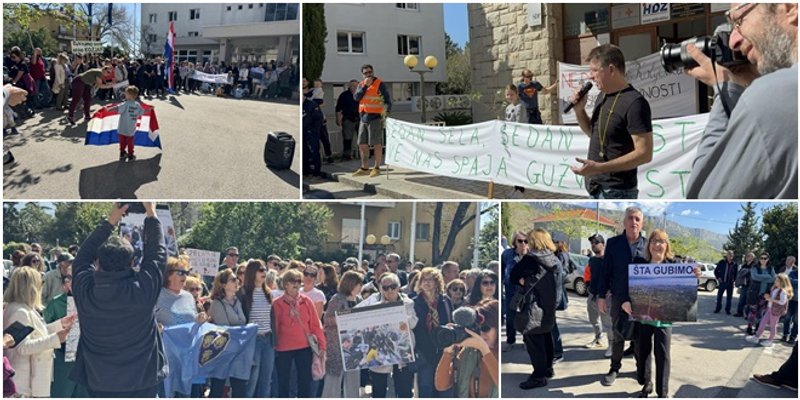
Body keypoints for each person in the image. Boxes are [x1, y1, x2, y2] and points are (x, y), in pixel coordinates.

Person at [684, 3, 797, 199]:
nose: (734, 41)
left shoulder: (769, 97)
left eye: (738, 21)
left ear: (789, 8)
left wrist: (725, 87)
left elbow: (703, 197)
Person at [69, 202, 167, 397]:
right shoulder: (143, 289)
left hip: (99, 382)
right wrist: (151, 213)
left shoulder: (85, 290)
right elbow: (157, 255)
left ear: (98, 263)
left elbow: (81, 258)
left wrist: (110, 221)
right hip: (142, 382)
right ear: (132, 263)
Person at [568, 44, 654, 199]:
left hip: (618, 191)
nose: (590, 76)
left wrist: (600, 168)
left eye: (594, 70)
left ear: (611, 70)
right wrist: (579, 111)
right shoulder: (602, 96)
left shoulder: (635, 103)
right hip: (595, 188)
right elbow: (593, 133)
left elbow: (644, 154)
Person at [630, 229, 700, 398]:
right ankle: (646, 383)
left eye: (661, 241)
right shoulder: (639, 263)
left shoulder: (674, 264)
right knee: (642, 353)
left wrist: (695, 277)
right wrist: (626, 301)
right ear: (649, 245)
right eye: (653, 241)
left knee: (662, 355)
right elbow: (629, 285)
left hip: (664, 319)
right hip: (643, 318)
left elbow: (686, 287)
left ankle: (663, 393)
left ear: (666, 245)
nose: (657, 245)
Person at [3, 267, 75, 398]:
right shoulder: (20, 311)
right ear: (31, 286)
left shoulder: (21, 308)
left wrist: (60, 324)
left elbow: (35, 333)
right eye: (41, 282)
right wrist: (55, 339)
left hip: (28, 379)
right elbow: (23, 347)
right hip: (24, 383)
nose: (42, 286)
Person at [596, 206, 647, 386]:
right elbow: (605, 272)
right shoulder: (613, 243)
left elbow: (664, 262)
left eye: (637, 219)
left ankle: (640, 368)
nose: (634, 222)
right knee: (618, 335)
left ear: (642, 223)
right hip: (618, 298)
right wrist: (601, 296)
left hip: (641, 300)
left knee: (640, 337)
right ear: (624, 222)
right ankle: (614, 368)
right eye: (630, 218)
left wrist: (689, 272)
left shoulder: (648, 245)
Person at [512, 228, 562, 390]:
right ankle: (548, 369)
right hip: (549, 306)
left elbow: (513, 275)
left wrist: (523, 281)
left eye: (528, 240)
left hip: (532, 306)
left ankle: (538, 376)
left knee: (534, 342)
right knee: (546, 337)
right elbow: (559, 284)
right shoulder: (555, 259)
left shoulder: (530, 259)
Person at [357, 272, 418, 398]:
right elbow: (358, 318)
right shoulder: (372, 302)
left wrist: (396, 314)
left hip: (401, 354)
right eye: (385, 288)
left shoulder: (408, 302)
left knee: (404, 391)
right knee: (378, 391)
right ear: (380, 288)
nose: (390, 290)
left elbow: (413, 323)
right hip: (379, 354)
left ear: (399, 286)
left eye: (393, 286)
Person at [272, 268, 326, 398]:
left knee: (305, 381)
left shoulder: (307, 301)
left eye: (298, 281)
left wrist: (322, 345)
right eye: (292, 281)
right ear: (285, 284)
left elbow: (315, 325)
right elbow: (275, 327)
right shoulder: (277, 303)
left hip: (304, 347)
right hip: (283, 348)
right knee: (284, 383)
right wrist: (273, 346)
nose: (296, 284)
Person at [436, 299, 500, 397]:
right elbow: (441, 386)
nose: (481, 334)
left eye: (485, 328)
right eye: (477, 329)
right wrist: (447, 352)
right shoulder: (469, 352)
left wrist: (484, 350)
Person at [42, 275, 88, 398]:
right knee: (62, 392)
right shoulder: (56, 303)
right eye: (69, 280)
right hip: (62, 357)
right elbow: (45, 329)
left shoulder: (92, 301)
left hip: (87, 358)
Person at [413, 267, 454, 397]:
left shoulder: (445, 301)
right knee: (426, 389)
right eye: (424, 280)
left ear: (437, 282)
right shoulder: (414, 302)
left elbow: (451, 321)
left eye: (430, 279)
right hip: (423, 351)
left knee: (444, 388)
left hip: (443, 351)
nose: (427, 282)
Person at [321, 271, 363, 398]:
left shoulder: (359, 300)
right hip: (337, 346)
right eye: (358, 284)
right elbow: (327, 320)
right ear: (351, 284)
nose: (360, 287)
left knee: (353, 380)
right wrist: (344, 319)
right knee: (333, 379)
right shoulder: (337, 299)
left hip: (354, 347)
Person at [207, 269, 248, 397]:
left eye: (237, 279)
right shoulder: (216, 303)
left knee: (240, 389)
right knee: (218, 389)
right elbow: (223, 328)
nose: (237, 282)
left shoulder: (237, 301)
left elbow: (242, 322)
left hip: (238, 351)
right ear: (223, 285)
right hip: (223, 353)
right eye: (233, 279)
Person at [237, 259, 275, 398]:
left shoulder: (268, 292)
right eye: (261, 270)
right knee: (252, 379)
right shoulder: (243, 293)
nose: (264, 272)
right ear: (252, 272)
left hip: (268, 339)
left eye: (265, 269)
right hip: (253, 340)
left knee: (266, 379)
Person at [353, 64, 392, 178]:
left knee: (376, 144)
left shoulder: (379, 84)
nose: (368, 74)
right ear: (362, 74)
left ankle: (377, 167)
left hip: (375, 117)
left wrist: (385, 114)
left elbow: (387, 101)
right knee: (362, 144)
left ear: (373, 72)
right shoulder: (361, 84)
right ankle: (365, 168)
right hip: (363, 118)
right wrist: (365, 86)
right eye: (366, 73)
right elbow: (356, 97)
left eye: (370, 72)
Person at [746, 273, 794, 348]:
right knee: (762, 322)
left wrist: (771, 299)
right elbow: (772, 297)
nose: (775, 282)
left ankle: (770, 340)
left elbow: (782, 302)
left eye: (777, 281)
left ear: (782, 282)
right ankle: (756, 337)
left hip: (776, 311)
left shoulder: (783, 292)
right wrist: (768, 296)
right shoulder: (775, 288)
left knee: (773, 325)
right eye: (776, 280)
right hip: (769, 309)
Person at [585, 233, 613, 357]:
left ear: (603, 244)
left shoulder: (609, 260)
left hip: (605, 297)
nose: (593, 245)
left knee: (608, 323)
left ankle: (612, 345)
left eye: (596, 242)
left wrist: (610, 291)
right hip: (592, 295)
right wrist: (588, 286)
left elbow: (615, 276)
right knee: (593, 319)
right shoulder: (592, 260)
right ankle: (598, 339)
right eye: (592, 243)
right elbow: (588, 274)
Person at [502, 231, 528, 352]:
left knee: (526, 316)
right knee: (510, 316)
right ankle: (510, 340)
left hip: (526, 292)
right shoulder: (507, 254)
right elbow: (502, 269)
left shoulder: (531, 255)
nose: (523, 243)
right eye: (520, 241)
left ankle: (527, 340)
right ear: (515, 242)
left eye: (526, 241)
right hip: (511, 291)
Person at [107, 85, 145, 162]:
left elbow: (117, 108)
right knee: (130, 143)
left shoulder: (125, 104)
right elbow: (142, 112)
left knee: (122, 142)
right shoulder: (137, 105)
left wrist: (109, 109)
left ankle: (122, 152)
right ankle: (131, 155)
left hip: (121, 128)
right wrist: (150, 109)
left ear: (130, 95)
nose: (125, 94)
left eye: (126, 93)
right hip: (131, 129)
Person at [747, 253, 777, 335]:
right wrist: (767, 276)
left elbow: (773, 279)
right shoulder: (755, 267)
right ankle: (749, 327)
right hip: (754, 293)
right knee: (752, 311)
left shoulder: (771, 268)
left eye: (765, 258)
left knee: (760, 313)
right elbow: (755, 277)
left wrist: (762, 277)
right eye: (761, 258)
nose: (763, 260)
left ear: (768, 259)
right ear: (759, 259)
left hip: (765, 294)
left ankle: (757, 327)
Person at [336, 79, 360, 160]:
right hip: (348, 119)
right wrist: (338, 119)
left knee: (362, 138)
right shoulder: (344, 95)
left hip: (360, 119)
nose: (354, 87)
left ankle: (364, 154)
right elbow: (338, 108)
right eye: (352, 85)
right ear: (349, 86)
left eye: (356, 86)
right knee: (347, 138)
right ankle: (347, 156)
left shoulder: (361, 94)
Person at [735, 252, 757, 317]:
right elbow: (740, 273)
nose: (747, 257)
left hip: (751, 285)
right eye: (747, 256)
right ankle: (739, 312)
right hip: (744, 285)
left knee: (748, 301)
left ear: (752, 258)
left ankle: (747, 314)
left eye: (749, 256)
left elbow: (752, 273)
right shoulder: (744, 265)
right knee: (741, 299)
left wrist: (745, 271)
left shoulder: (755, 265)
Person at [783, 260, 798, 343]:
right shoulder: (792, 273)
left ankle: (793, 336)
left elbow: (792, 282)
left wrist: (794, 282)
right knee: (787, 318)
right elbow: (788, 282)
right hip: (791, 299)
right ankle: (785, 334)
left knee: (796, 320)